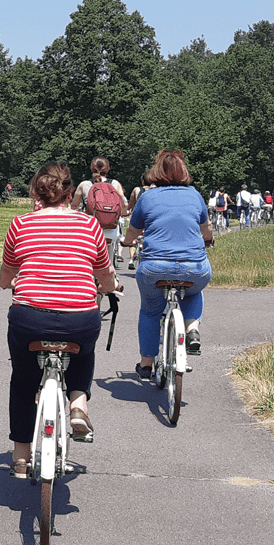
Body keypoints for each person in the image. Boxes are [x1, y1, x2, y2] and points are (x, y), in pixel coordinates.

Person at [0, 161, 118, 478]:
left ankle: (21, 457)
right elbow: (104, 274)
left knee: (23, 381)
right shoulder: (90, 227)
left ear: (37, 192)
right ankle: (78, 404)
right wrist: (112, 287)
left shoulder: (20, 225)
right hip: (79, 319)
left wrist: (3, 282)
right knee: (84, 351)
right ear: (69, 193)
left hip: (29, 318)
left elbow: (8, 273)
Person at [119, 149, 213, 379]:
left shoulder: (147, 197)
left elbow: (133, 230)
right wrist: (208, 240)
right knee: (193, 291)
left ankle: (146, 364)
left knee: (151, 311)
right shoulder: (194, 195)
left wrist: (127, 241)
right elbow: (206, 228)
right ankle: (192, 330)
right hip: (194, 266)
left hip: (154, 267)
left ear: (156, 172)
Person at [72, 156, 129, 266]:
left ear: (91, 168)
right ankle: (110, 277)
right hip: (110, 229)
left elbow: (74, 206)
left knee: (86, 259)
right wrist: (123, 213)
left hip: (90, 229)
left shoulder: (84, 185)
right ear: (108, 169)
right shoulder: (115, 184)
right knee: (108, 263)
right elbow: (124, 204)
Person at [127, 174, 153, 269]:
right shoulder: (156, 191)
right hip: (150, 220)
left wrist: (128, 209)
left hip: (137, 217)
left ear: (143, 181)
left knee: (134, 238)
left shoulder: (136, 190)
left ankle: (131, 259)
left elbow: (131, 203)